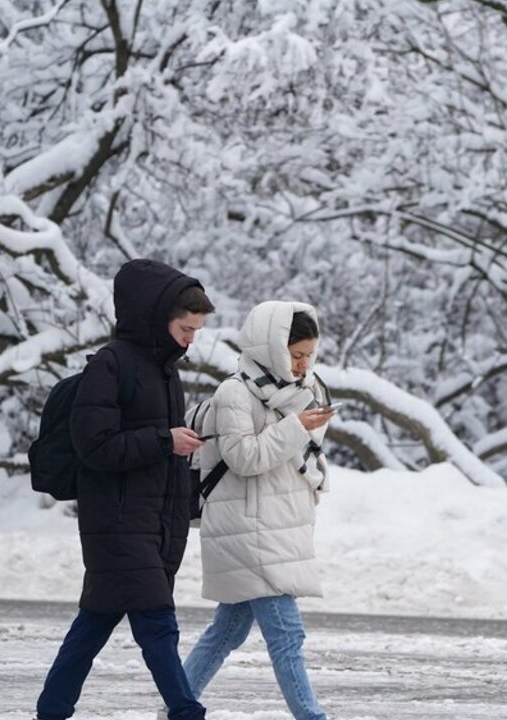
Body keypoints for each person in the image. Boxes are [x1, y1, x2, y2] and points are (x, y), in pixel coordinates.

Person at [36, 259, 215, 720]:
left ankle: (52, 710)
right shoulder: (111, 365)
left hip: (152, 524)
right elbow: (94, 445)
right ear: (157, 319)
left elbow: (160, 453)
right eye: (185, 327)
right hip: (115, 521)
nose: (191, 337)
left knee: (94, 625)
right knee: (158, 624)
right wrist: (164, 440)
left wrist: (184, 477)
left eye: (196, 329)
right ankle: (186, 711)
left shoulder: (166, 372)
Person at [180, 301, 334, 720]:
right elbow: (244, 458)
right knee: (288, 635)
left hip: (280, 526)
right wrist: (296, 426)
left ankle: (178, 706)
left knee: (227, 631)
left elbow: (297, 457)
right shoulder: (234, 392)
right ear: (270, 347)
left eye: (308, 355)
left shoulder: (305, 390)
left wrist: (308, 427)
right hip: (247, 528)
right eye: (295, 355)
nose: (303, 365)